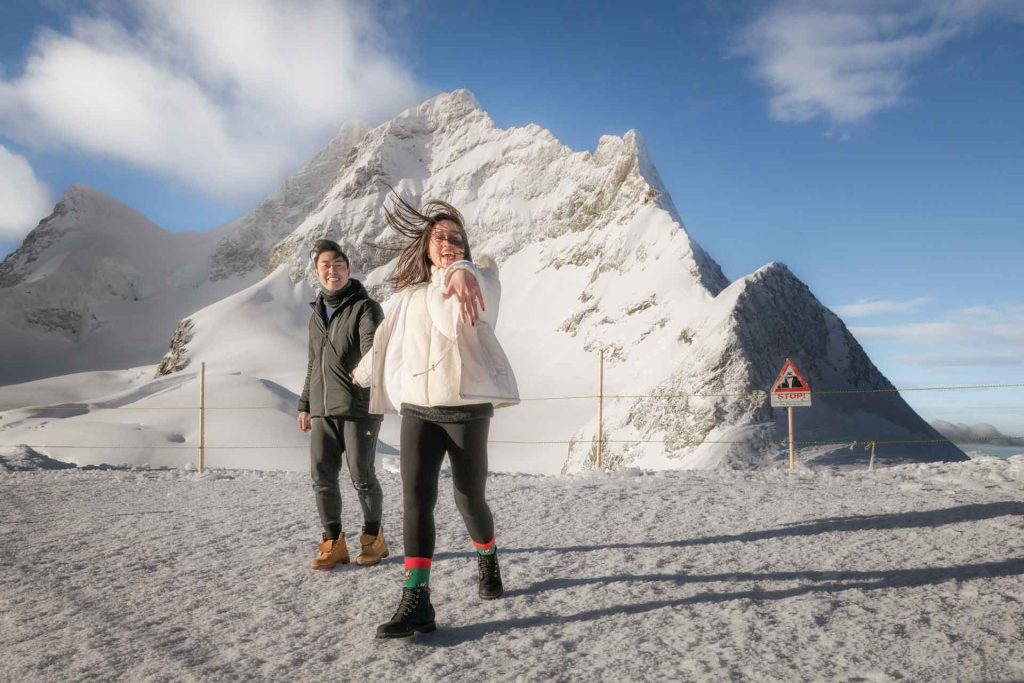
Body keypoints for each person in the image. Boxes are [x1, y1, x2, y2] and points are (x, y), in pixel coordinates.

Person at [353, 194, 519, 638]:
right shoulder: (408, 296)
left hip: (466, 410)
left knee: (469, 498)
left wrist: (462, 272)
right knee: (416, 499)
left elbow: (477, 291)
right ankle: (417, 598)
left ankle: (487, 556)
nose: (449, 243)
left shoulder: (478, 280)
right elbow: (388, 340)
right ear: (426, 245)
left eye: (457, 239)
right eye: (440, 238)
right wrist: (363, 373)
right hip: (419, 410)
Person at [298, 239, 387, 570]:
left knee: (361, 476)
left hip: (358, 407)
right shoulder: (316, 316)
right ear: (317, 272)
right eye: (325, 265)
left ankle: (373, 539)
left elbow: (372, 350)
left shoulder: (365, 308)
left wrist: (365, 368)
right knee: (321, 477)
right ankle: (333, 543)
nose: (331, 270)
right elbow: (313, 364)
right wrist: (305, 404)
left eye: (338, 264)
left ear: (348, 270)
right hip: (322, 409)